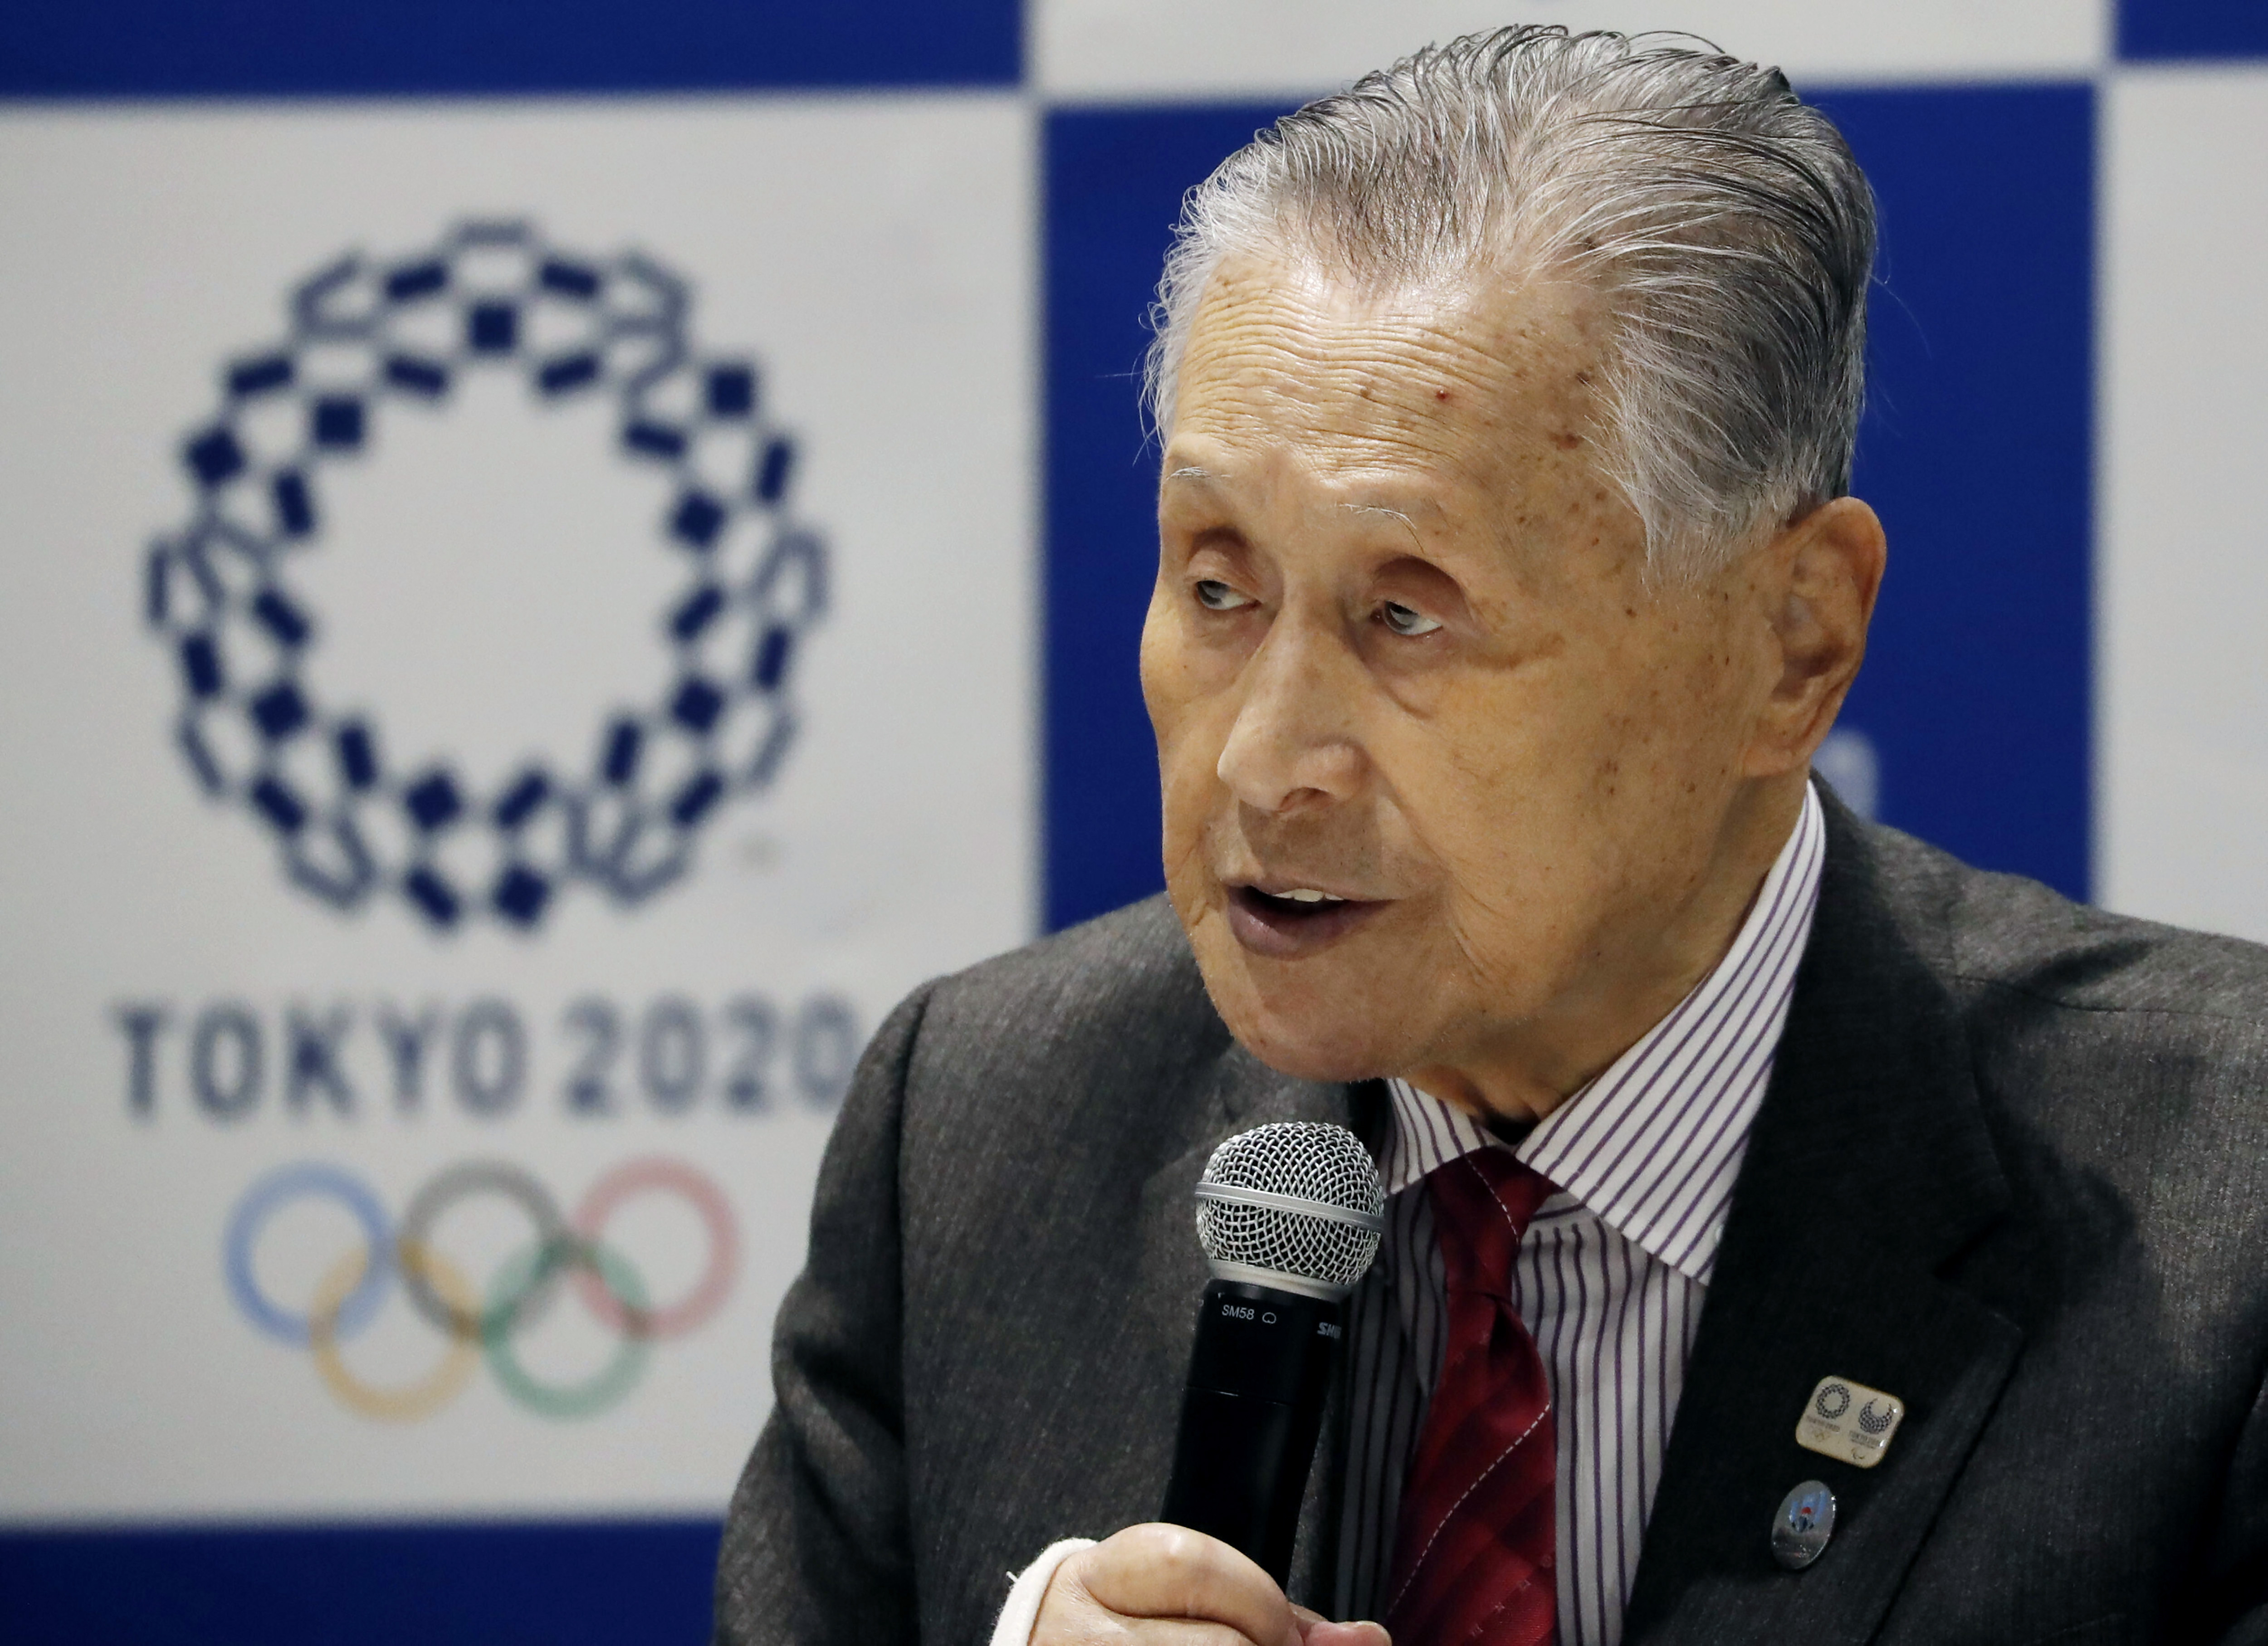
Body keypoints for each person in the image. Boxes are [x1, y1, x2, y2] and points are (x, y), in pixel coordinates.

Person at [714, 25, 2268, 1646]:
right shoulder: (979, 1139)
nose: (1262, 762)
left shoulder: (2227, 1220)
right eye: (1218, 584)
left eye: (1407, 613)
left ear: (1790, 646)